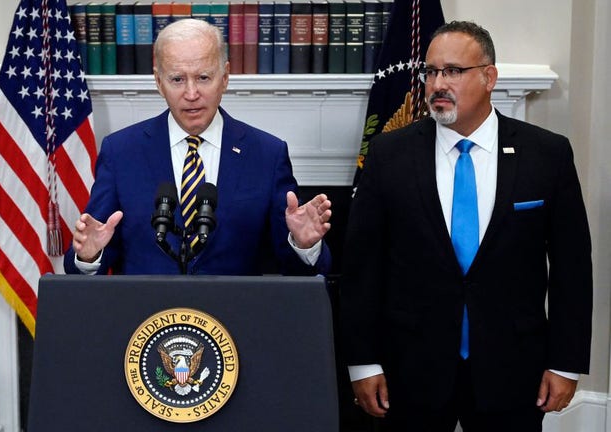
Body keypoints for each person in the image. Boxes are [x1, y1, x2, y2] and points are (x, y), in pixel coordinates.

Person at [339, 21, 592, 432]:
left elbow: (573, 269)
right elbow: (362, 268)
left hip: (513, 368)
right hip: (410, 368)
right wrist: (363, 362)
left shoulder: (547, 154)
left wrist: (566, 362)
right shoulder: (389, 154)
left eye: (453, 71)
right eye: (431, 71)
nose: (438, 83)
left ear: (489, 77)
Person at [64, 18, 332, 276]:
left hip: (233, 318)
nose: (191, 94)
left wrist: (304, 245)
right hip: (147, 318)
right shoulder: (121, 152)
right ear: (159, 82)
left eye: (203, 77)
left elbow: (296, 269)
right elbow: (89, 254)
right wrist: (88, 255)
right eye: (177, 79)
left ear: (225, 78)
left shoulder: (267, 154)